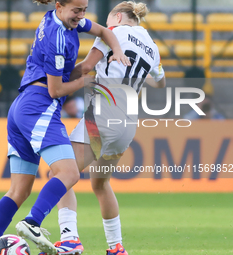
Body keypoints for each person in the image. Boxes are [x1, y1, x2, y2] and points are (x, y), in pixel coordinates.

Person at [0, 0, 130, 254]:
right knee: (69, 174)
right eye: (77, 10)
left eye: (84, 10)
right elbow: (56, 90)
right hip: (40, 106)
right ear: (59, 6)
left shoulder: (56, 18)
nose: (81, 16)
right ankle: (33, 222)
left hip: (21, 107)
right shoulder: (58, 38)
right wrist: (85, 82)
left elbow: (104, 31)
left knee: (18, 191)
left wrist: (117, 50)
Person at [40, 1, 166, 255]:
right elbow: (160, 84)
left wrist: (53, 81)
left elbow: (86, 67)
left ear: (117, 17)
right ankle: (116, 247)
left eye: (109, 21)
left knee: (60, 175)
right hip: (127, 124)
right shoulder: (153, 48)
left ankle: (70, 239)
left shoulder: (115, 33)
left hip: (102, 115)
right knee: (100, 184)